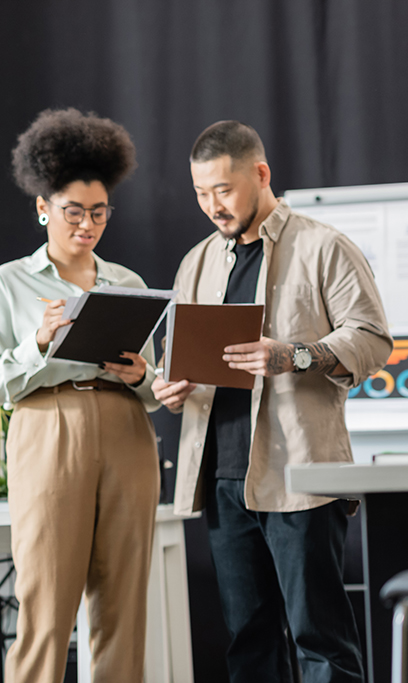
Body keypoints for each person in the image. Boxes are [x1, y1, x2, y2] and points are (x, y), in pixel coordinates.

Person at [153, 120, 392, 683]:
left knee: (320, 639)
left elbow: (373, 339)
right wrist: (170, 385)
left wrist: (296, 355)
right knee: (248, 640)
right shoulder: (197, 262)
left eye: (223, 189)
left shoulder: (323, 246)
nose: (212, 205)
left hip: (300, 476)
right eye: (200, 193)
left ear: (260, 174)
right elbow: (176, 358)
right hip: (223, 478)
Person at [0, 108, 161, 683]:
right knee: (45, 600)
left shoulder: (126, 283)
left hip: (127, 429)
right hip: (48, 426)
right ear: (42, 208)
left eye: (99, 212)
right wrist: (39, 341)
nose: (87, 224)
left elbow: (154, 383)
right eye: (73, 211)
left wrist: (141, 377)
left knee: (124, 603)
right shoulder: (10, 281)